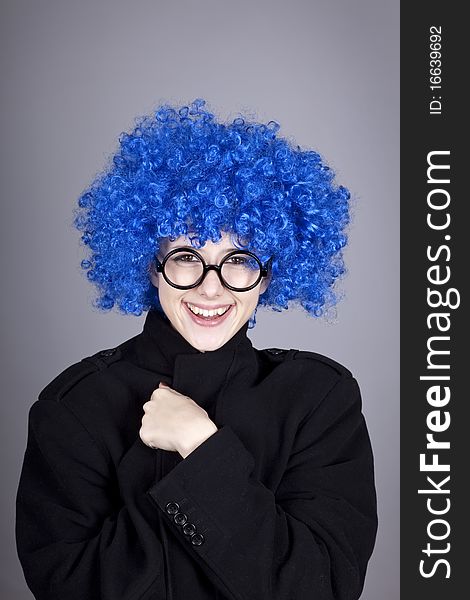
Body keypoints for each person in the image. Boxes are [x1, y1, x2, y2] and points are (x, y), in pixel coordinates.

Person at [15, 98, 377, 600]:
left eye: (239, 259)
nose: (211, 289)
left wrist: (202, 451)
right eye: (187, 257)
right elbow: (72, 587)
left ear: (268, 274)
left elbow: (320, 586)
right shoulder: (73, 407)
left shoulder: (318, 399)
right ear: (148, 263)